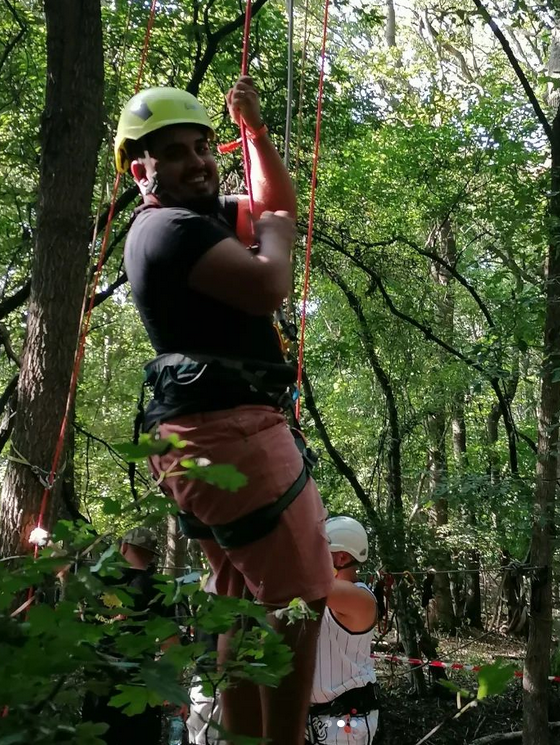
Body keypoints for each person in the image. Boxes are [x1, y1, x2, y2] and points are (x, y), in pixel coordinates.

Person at [115, 78, 334, 743]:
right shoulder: (168, 229)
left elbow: (275, 203)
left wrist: (255, 133)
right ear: (140, 169)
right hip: (229, 430)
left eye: (203, 145)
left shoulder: (193, 217)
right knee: (302, 597)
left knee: (236, 600)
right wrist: (272, 233)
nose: (197, 161)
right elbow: (269, 282)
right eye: (174, 152)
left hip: (204, 431)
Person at [81, 527, 176, 743]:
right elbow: (171, 644)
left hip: (99, 683)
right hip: (141, 688)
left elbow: (65, 571)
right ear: (152, 556)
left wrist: (46, 542)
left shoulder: (98, 579)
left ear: (123, 547)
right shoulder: (160, 588)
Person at [307, 516, 380, 745]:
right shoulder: (321, 599)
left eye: (320, 552)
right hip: (314, 720)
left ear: (341, 557)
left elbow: (306, 583)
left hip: (346, 724)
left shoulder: (360, 598)